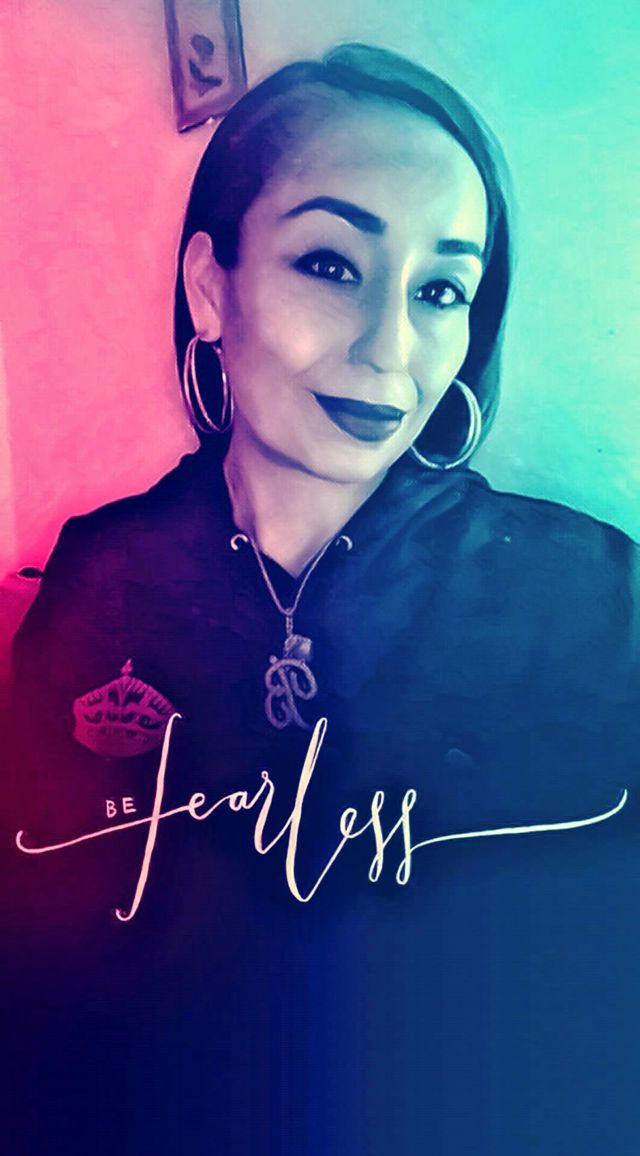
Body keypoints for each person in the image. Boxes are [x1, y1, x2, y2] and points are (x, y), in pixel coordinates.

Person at [3, 42, 640, 1156]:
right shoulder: (104, 572)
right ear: (212, 287)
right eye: (332, 265)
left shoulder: (585, 599)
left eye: (439, 289)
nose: (391, 347)